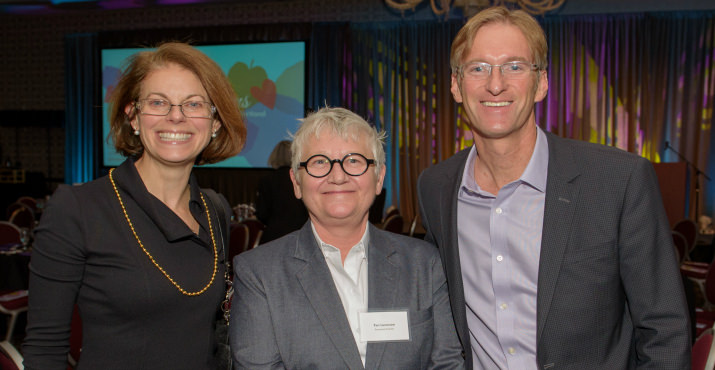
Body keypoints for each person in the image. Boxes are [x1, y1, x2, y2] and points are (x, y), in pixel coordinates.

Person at [417, 6, 690, 369]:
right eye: (478, 68)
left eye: (515, 66)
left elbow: (665, 330)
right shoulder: (435, 188)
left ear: (542, 83)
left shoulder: (618, 181)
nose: (495, 84)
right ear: (455, 84)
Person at [23, 42, 246, 369]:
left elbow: (211, 336)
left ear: (215, 123)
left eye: (194, 104)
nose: (175, 116)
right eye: (158, 102)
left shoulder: (216, 210)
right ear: (133, 117)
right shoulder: (78, 209)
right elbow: (44, 352)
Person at [229, 107, 464, 369]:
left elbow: (447, 364)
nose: (338, 176)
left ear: (379, 178)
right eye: (319, 162)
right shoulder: (258, 273)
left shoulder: (425, 264)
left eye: (354, 161)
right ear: (296, 182)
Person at [255, 140, 309, 244]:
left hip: (273, 238)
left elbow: (262, 214)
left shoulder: (267, 180)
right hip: (301, 237)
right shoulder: (303, 178)